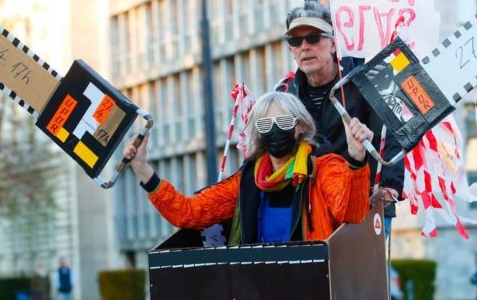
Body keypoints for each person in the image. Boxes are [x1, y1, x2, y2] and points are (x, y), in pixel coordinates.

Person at [123, 91, 373, 244]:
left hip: (313, 284)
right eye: (265, 125)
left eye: (283, 122)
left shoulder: (324, 168)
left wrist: (356, 158)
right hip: (259, 286)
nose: (274, 130)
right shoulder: (246, 181)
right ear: (258, 134)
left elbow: (350, 212)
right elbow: (188, 213)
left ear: (300, 127)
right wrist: (144, 170)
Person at [275, 1, 404, 236]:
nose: (304, 47)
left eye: (314, 37)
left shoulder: (364, 83)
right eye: (295, 41)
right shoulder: (284, 93)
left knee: (359, 274)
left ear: (334, 44)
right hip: (310, 212)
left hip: (364, 208)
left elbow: (389, 134)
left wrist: (389, 188)